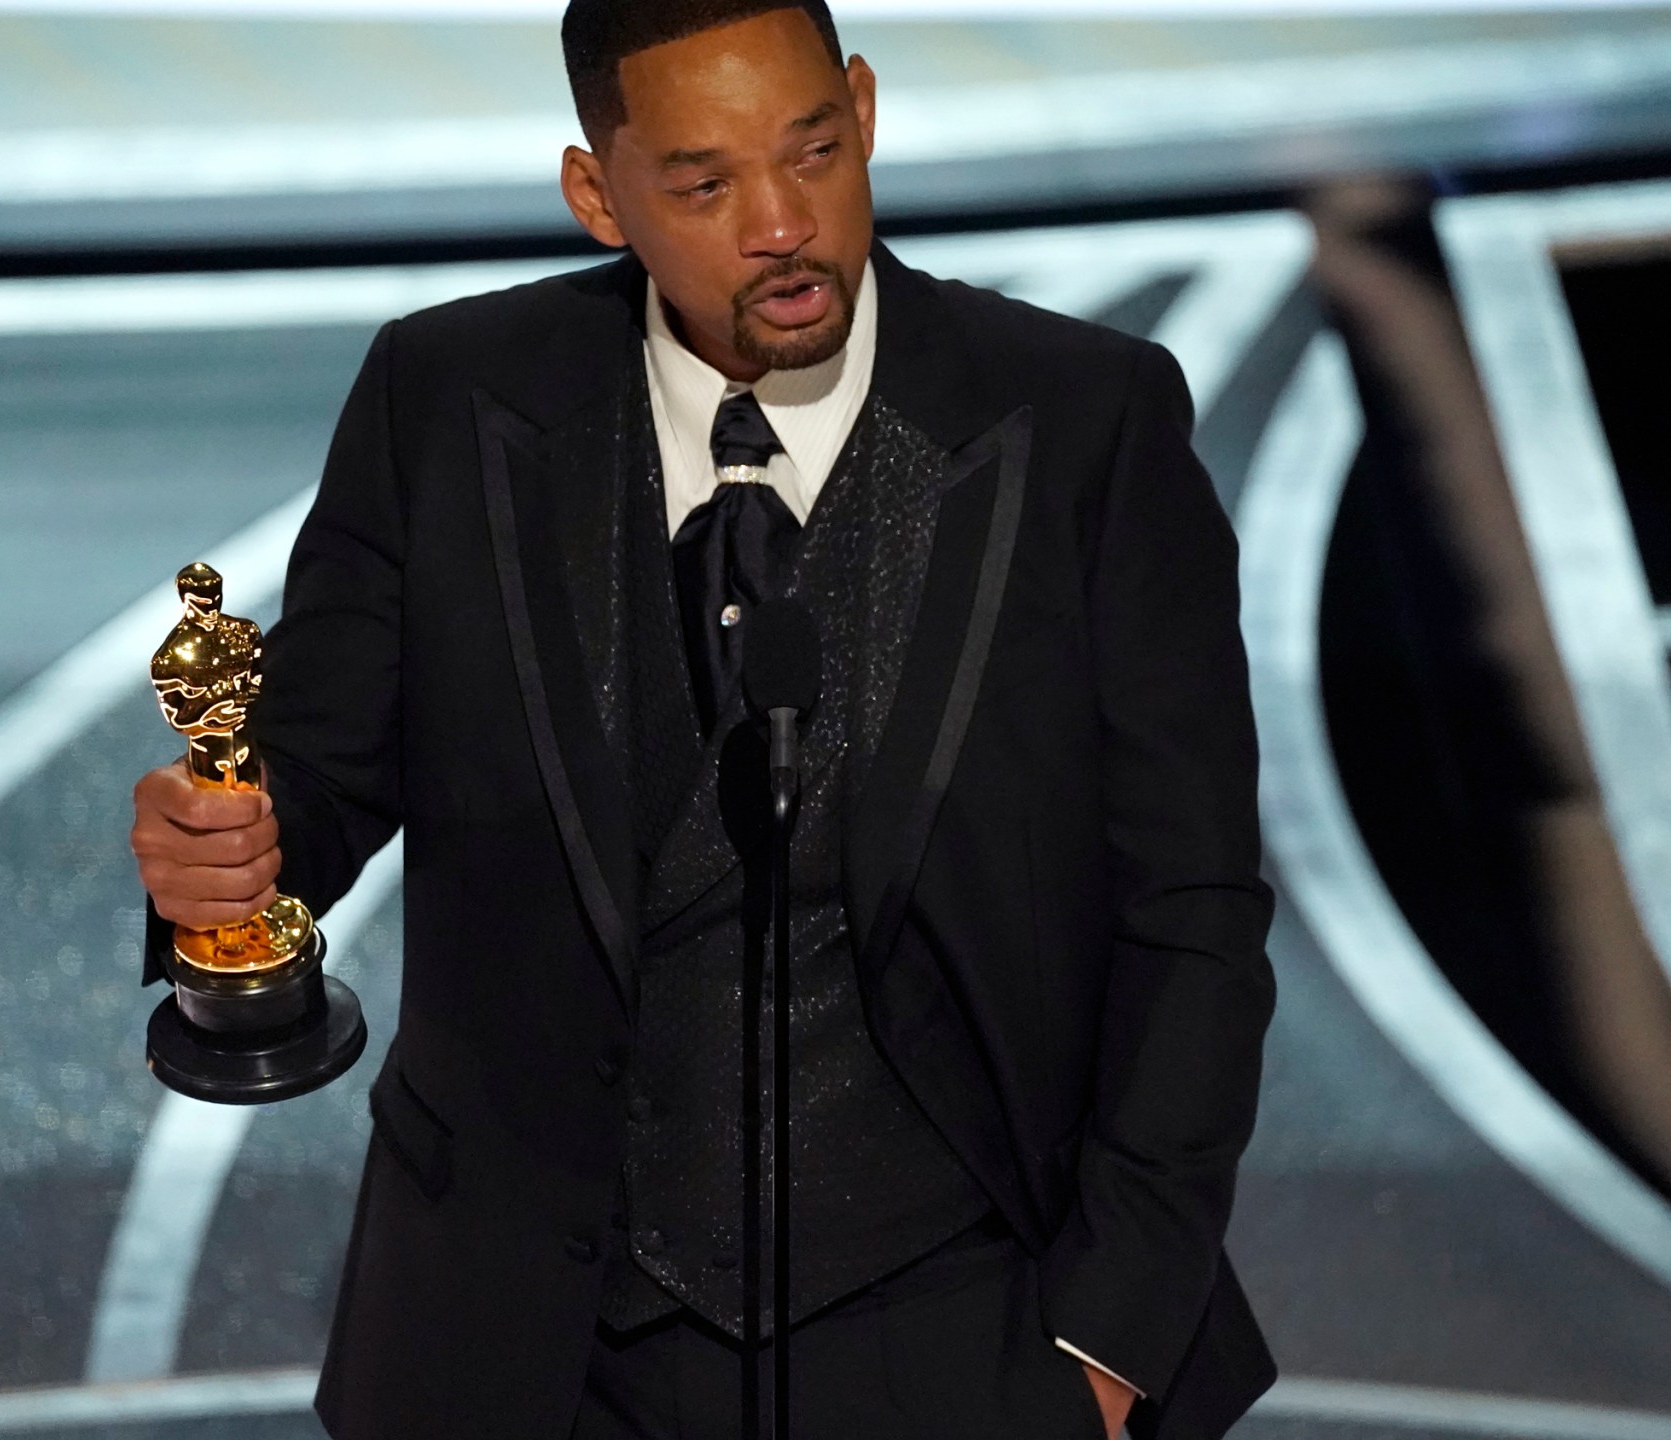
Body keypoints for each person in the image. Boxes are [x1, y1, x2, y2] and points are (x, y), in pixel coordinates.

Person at [127, 3, 1275, 1435]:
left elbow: (1196, 904)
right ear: (598, 196)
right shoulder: (450, 401)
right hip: (532, 1351)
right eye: (705, 183)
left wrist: (1106, 1343)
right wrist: (230, 855)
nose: (784, 222)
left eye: (814, 150)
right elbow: (318, 769)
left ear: (863, 107)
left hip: (957, 1334)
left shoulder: (1085, 424)